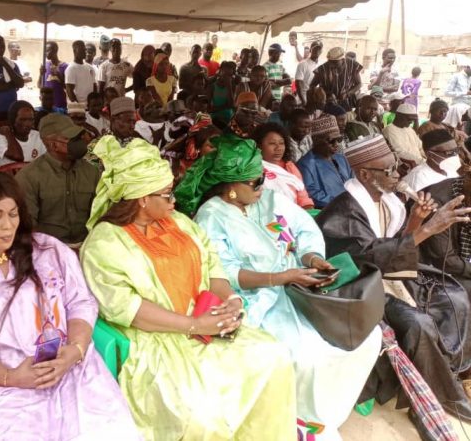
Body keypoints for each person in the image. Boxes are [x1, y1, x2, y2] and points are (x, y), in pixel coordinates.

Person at [80, 136, 296, 439]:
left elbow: (212, 267)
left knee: (274, 357)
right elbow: (130, 310)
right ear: (142, 198)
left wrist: (231, 299)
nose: (175, 201)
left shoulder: (179, 223)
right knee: (200, 415)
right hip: (155, 339)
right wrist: (193, 325)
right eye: (167, 195)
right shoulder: (104, 243)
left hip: (206, 321)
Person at [184, 135, 379, 437]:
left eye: (262, 178)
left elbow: (304, 229)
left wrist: (312, 258)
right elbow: (225, 272)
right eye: (254, 182)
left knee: (367, 337)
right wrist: (281, 278)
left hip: (301, 287)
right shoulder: (211, 217)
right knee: (304, 355)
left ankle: (327, 413)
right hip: (257, 298)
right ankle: (297, 421)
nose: (262, 186)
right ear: (230, 187)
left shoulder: (270, 200)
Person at [0, 172, 139, 440]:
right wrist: (9, 377)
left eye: (13, 214)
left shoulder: (49, 251)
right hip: (2, 383)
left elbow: (80, 303)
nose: (7, 226)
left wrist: (75, 351)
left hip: (71, 370)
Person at [316, 135, 471, 422]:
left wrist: (415, 220)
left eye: (396, 165)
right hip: (358, 288)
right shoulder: (342, 213)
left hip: (387, 275)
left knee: (456, 297)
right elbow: (369, 260)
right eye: (388, 170)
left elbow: (395, 245)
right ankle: (442, 396)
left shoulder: (389, 202)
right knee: (417, 322)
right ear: (364, 174)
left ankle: (446, 372)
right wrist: (428, 230)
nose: (397, 173)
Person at [16, 114, 98, 245]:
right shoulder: (28, 177)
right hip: (47, 250)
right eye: (71, 138)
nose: (78, 142)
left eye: (77, 137)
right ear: (53, 145)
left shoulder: (92, 172)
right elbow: (28, 227)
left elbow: (100, 215)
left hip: (88, 245)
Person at [420, 140, 471, 295]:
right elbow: (444, 260)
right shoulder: (440, 201)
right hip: (436, 269)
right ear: (468, 178)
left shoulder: (465, 191)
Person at [254, 122, 314, 208]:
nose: (278, 148)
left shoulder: (289, 166)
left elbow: (303, 199)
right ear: (259, 146)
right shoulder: (252, 168)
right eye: (272, 143)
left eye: (282, 143)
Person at [298, 115, 352, 208]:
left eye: (338, 139)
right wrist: (341, 203)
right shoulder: (305, 164)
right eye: (331, 141)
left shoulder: (341, 158)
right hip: (328, 212)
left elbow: (353, 181)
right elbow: (311, 193)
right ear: (316, 141)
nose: (336, 144)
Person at [402, 129, 459, 193]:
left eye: (456, 150)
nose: (455, 155)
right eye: (449, 153)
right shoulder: (418, 178)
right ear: (430, 155)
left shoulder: (450, 169)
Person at [0, 100, 46, 168]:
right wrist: (8, 134)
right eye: (23, 120)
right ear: (13, 120)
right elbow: (17, 156)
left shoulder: (37, 136)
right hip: (6, 177)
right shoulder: (0, 138)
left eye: (31, 120)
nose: (28, 124)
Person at [382, 103, 425, 171]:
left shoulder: (409, 129)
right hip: (408, 166)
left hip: (420, 164)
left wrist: (428, 157)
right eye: (409, 119)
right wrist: (422, 161)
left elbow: (420, 146)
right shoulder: (389, 130)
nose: (411, 122)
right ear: (399, 116)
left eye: (413, 120)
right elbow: (399, 152)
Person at [64, 40, 96, 104]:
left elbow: (94, 86)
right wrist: (79, 106)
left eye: (84, 49)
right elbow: (69, 91)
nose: (84, 52)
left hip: (90, 106)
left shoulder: (90, 68)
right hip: (77, 107)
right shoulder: (71, 68)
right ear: (74, 51)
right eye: (81, 50)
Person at [39, 41, 68, 109]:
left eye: (47, 51)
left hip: (60, 104)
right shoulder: (45, 65)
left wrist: (58, 75)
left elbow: (67, 87)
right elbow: (39, 85)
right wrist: (41, 75)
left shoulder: (64, 66)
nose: (45, 53)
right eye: (44, 51)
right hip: (46, 105)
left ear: (55, 50)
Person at [294, 41, 322, 105]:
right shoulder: (303, 64)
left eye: (319, 49)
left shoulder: (320, 66)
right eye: (315, 49)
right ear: (310, 50)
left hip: (313, 100)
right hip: (302, 100)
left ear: (321, 51)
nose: (317, 51)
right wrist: (303, 100)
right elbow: (298, 83)